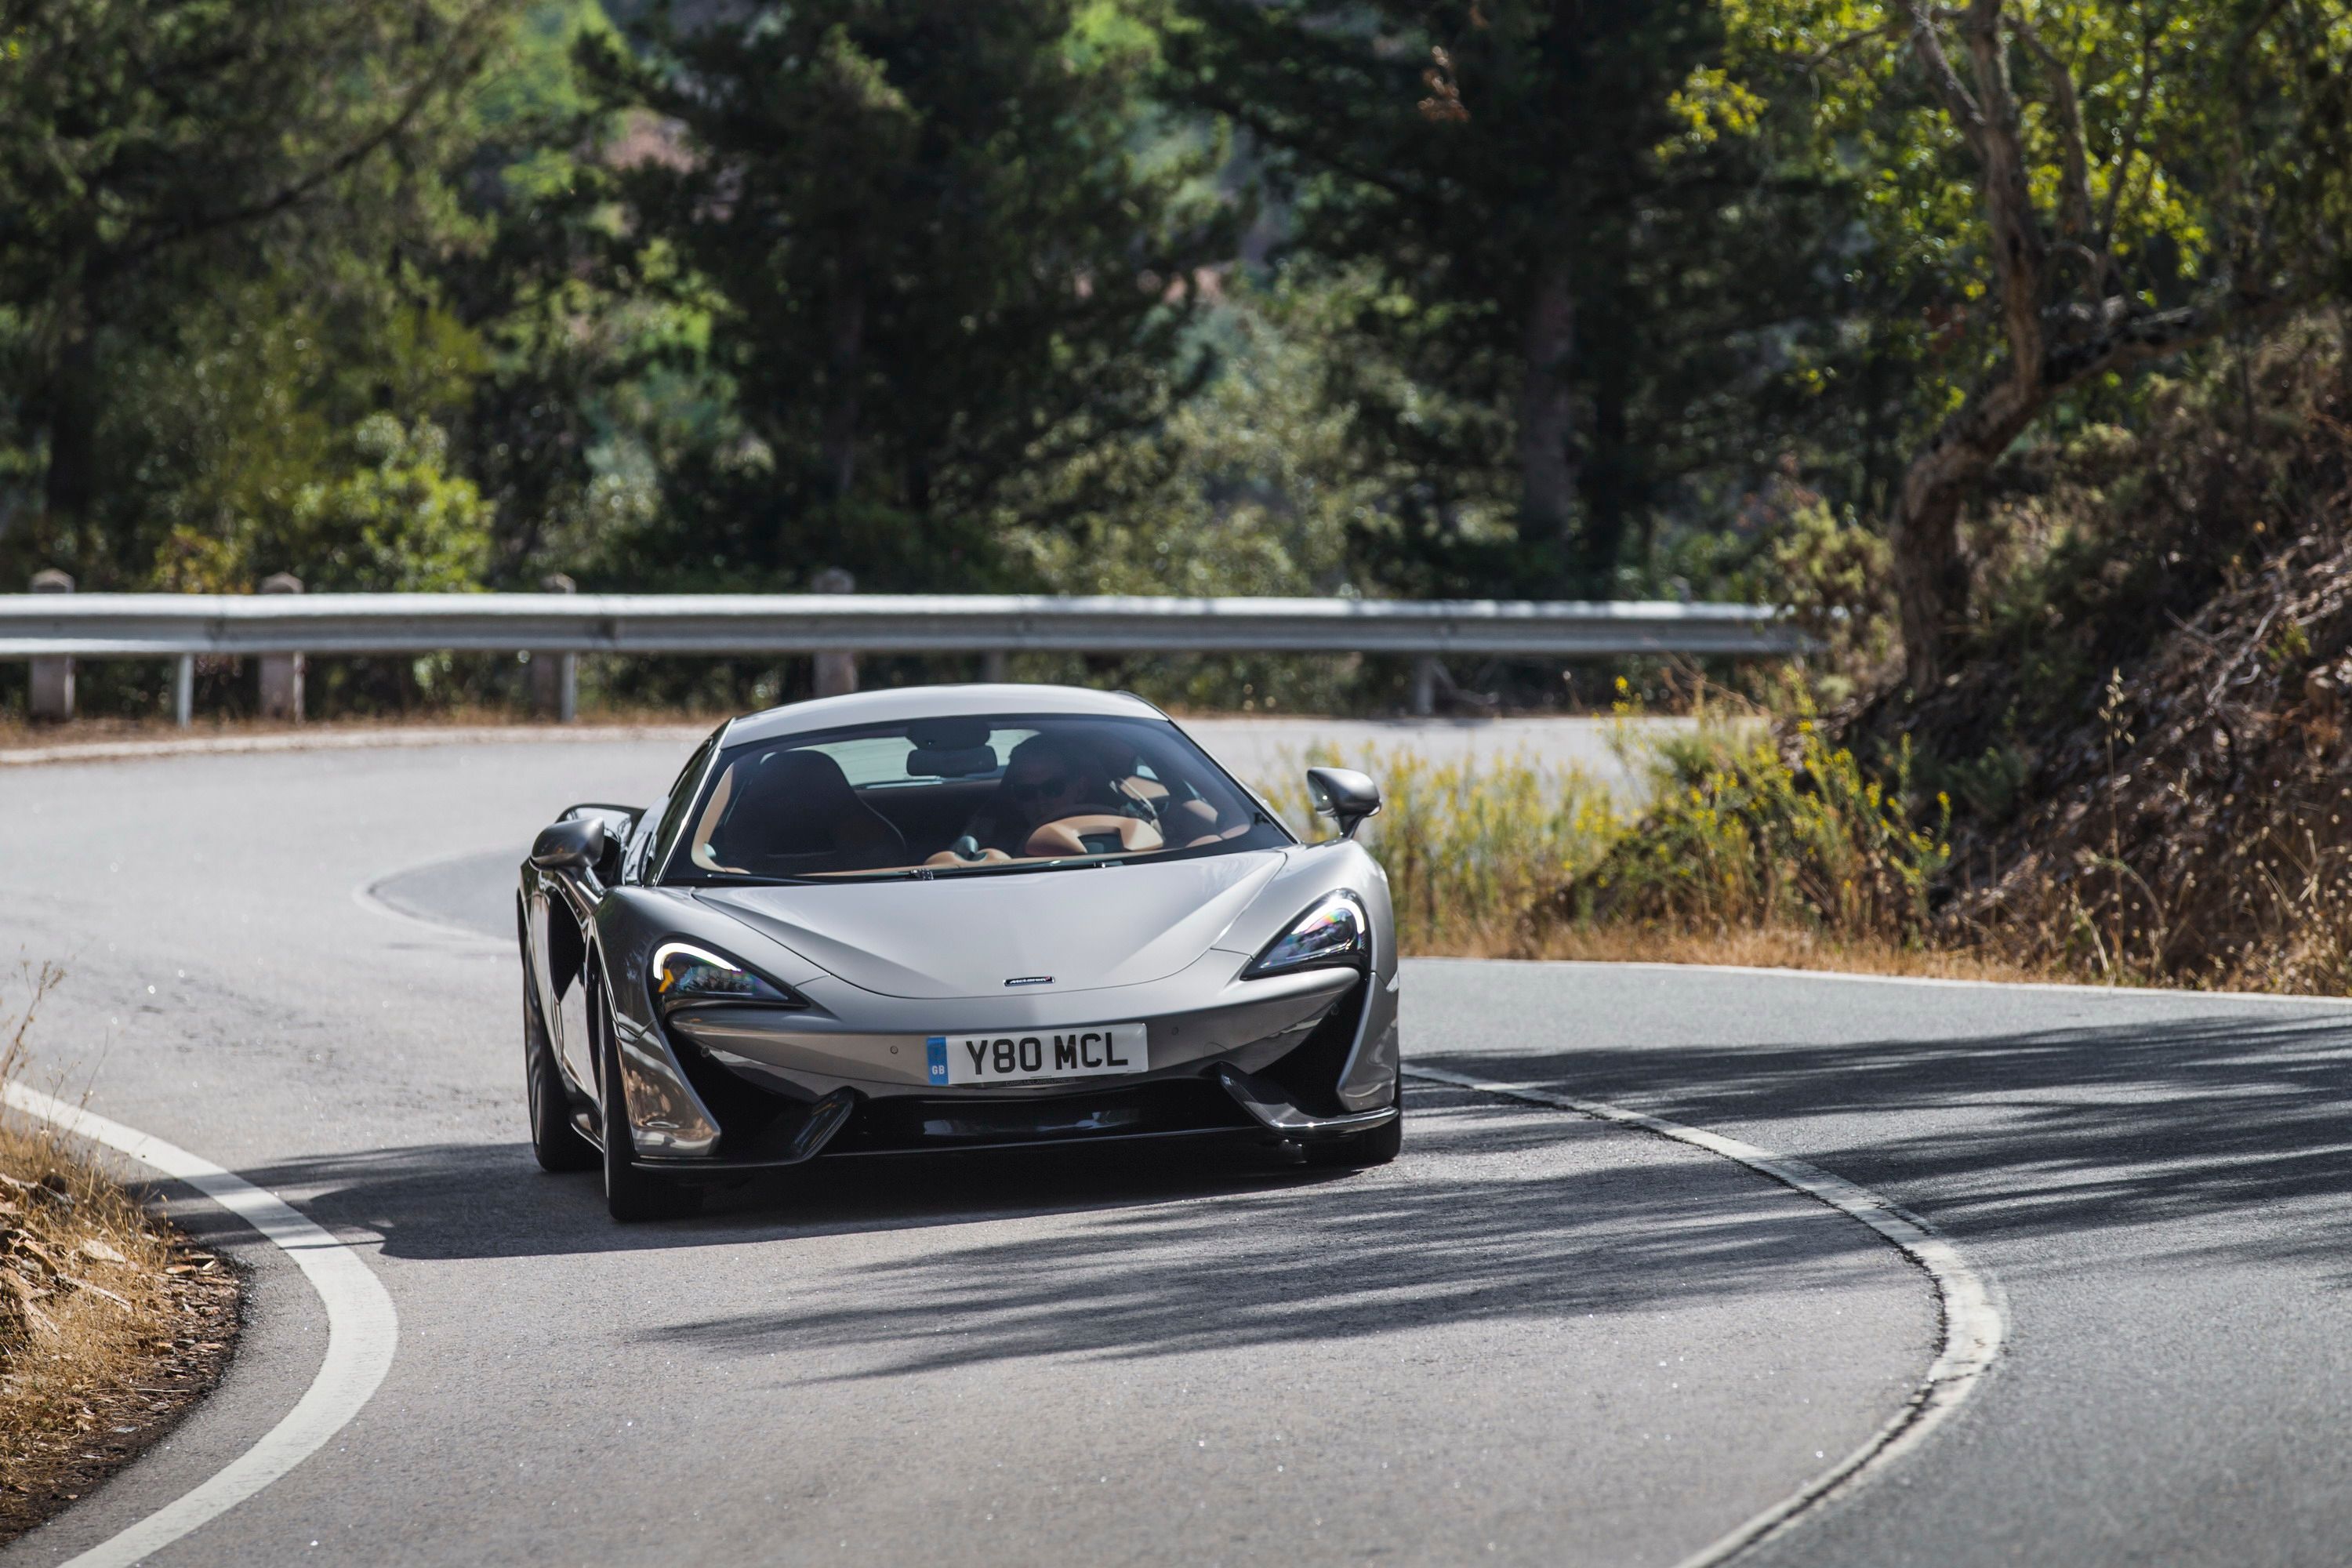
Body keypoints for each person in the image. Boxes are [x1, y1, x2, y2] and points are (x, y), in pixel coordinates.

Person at [963, 733, 1126, 855]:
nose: (1041, 801)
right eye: (1026, 792)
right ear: (1015, 797)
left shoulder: (1122, 832)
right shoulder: (991, 838)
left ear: (1080, 788)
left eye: (1053, 788)